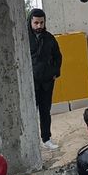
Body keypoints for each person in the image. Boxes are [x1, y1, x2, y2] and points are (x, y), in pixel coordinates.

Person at [28, 8, 62, 150]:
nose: (39, 26)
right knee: (29, 113)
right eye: (36, 23)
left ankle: (46, 138)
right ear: (30, 22)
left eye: (41, 23)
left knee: (45, 111)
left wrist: (55, 73)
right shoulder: (23, 38)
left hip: (47, 82)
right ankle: (31, 141)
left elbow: (58, 57)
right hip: (30, 82)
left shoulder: (49, 38)